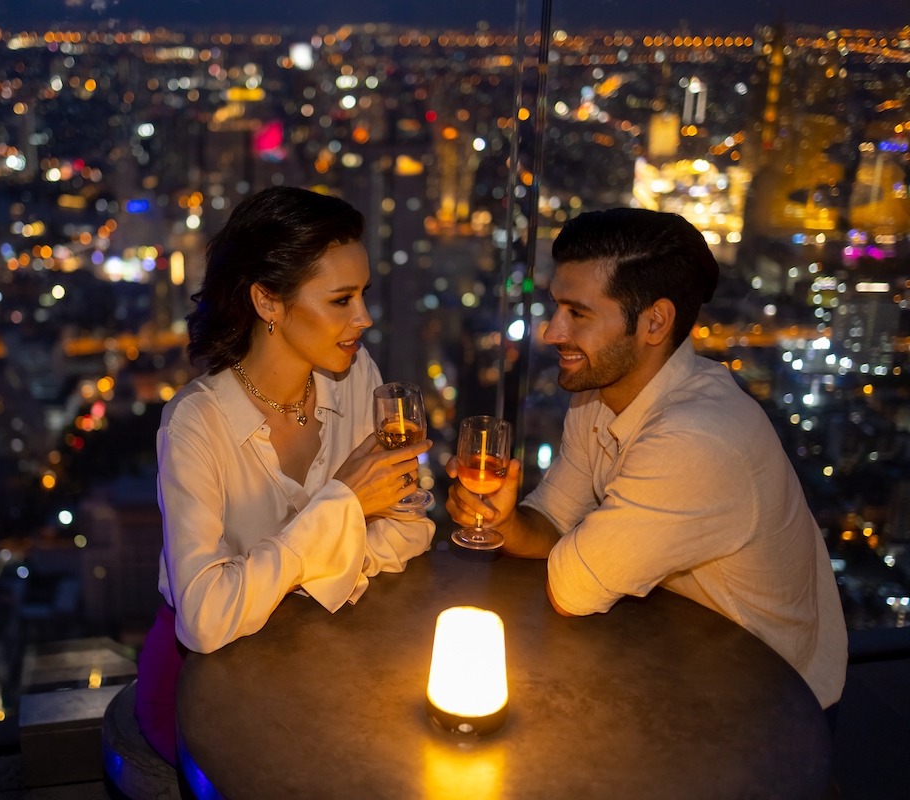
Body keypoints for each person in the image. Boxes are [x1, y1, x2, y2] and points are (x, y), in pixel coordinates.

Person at [447, 207, 847, 712]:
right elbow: (552, 519)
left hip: (765, 702)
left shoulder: (695, 439)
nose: (552, 332)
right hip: (676, 654)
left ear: (654, 322)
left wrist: (582, 545)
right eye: (557, 308)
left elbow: (573, 588)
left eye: (579, 314)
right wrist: (506, 521)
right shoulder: (598, 394)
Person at [135, 186, 435, 764]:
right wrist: (344, 510)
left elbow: (410, 527)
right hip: (205, 687)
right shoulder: (196, 424)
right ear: (268, 302)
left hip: (321, 657)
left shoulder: (354, 376)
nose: (364, 318)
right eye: (341, 300)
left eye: (363, 296)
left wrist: (291, 574)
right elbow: (204, 619)